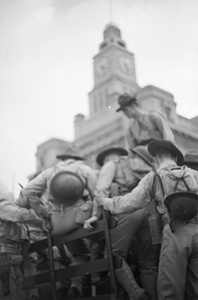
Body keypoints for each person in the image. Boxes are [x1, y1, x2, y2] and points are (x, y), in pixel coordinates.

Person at [96, 139, 198, 300]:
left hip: (174, 231)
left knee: (170, 286)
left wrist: (106, 202)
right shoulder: (194, 174)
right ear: (175, 157)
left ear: (156, 159)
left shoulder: (154, 177)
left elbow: (129, 203)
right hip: (197, 230)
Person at [16, 144, 97, 299]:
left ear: (63, 160)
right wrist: (94, 214)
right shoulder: (85, 169)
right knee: (95, 248)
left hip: (57, 224)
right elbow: (98, 196)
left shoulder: (49, 172)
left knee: (78, 252)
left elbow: (27, 192)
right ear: (76, 159)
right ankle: (82, 283)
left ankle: (75, 286)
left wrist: (45, 214)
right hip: (80, 219)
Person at [84, 145, 155, 300]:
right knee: (148, 262)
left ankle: (137, 294)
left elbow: (101, 191)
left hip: (126, 209)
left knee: (115, 255)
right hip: (149, 211)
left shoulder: (111, 165)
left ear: (106, 158)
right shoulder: (137, 163)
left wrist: (95, 215)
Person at [0, 181, 44, 300]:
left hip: (15, 262)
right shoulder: (4, 206)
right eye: (33, 199)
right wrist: (43, 218)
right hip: (5, 261)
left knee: (17, 295)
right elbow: (20, 215)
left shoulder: (22, 223)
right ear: (24, 195)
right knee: (8, 295)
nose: (35, 203)